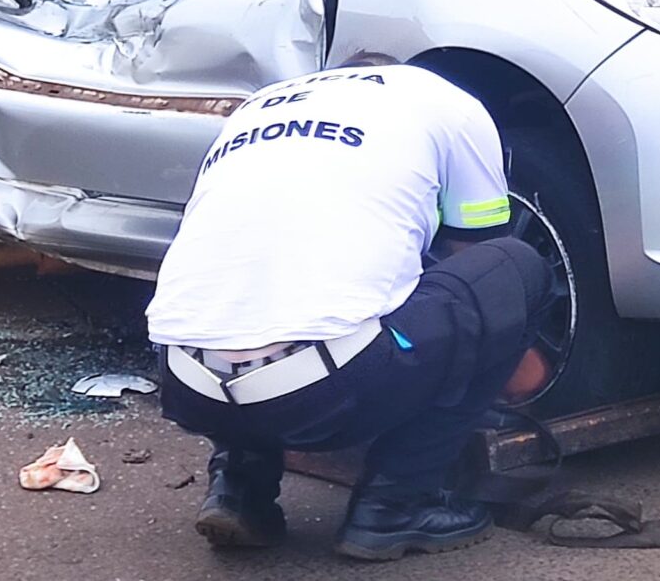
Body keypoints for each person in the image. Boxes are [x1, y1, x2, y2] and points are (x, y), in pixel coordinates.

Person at [148, 63, 553, 561]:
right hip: (329, 395)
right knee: (517, 266)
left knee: (252, 294)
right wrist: (509, 352)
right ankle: (395, 505)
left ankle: (239, 487)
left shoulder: (254, 111)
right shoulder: (447, 102)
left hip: (185, 386)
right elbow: (479, 256)